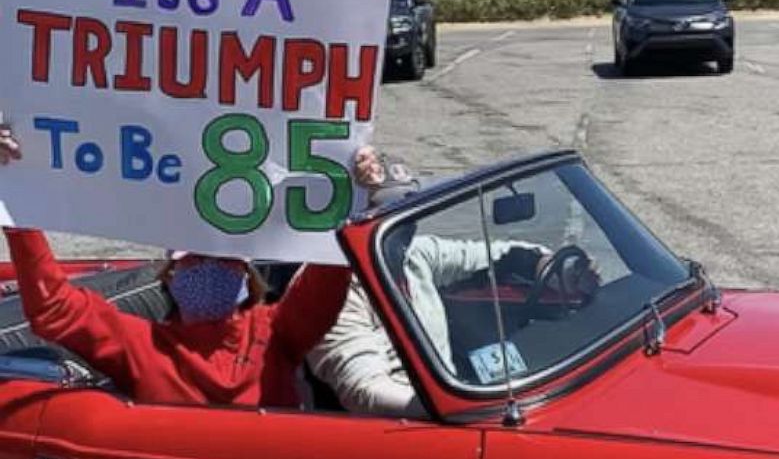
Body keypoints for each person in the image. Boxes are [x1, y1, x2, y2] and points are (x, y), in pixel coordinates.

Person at [0, 122, 351, 408]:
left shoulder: (274, 333)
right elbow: (53, 308)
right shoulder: (144, 346)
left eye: (222, 260)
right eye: (195, 260)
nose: (207, 269)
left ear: (246, 274)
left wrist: (351, 188)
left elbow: (329, 274)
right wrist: (14, 199)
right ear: (171, 274)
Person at [307, 149, 599, 418]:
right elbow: (364, 391)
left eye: (407, 206)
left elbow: (493, 254)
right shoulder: (329, 290)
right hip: (409, 424)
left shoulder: (411, 254)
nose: (401, 223)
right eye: (385, 212)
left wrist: (551, 265)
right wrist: (459, 412)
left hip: (453, 398)